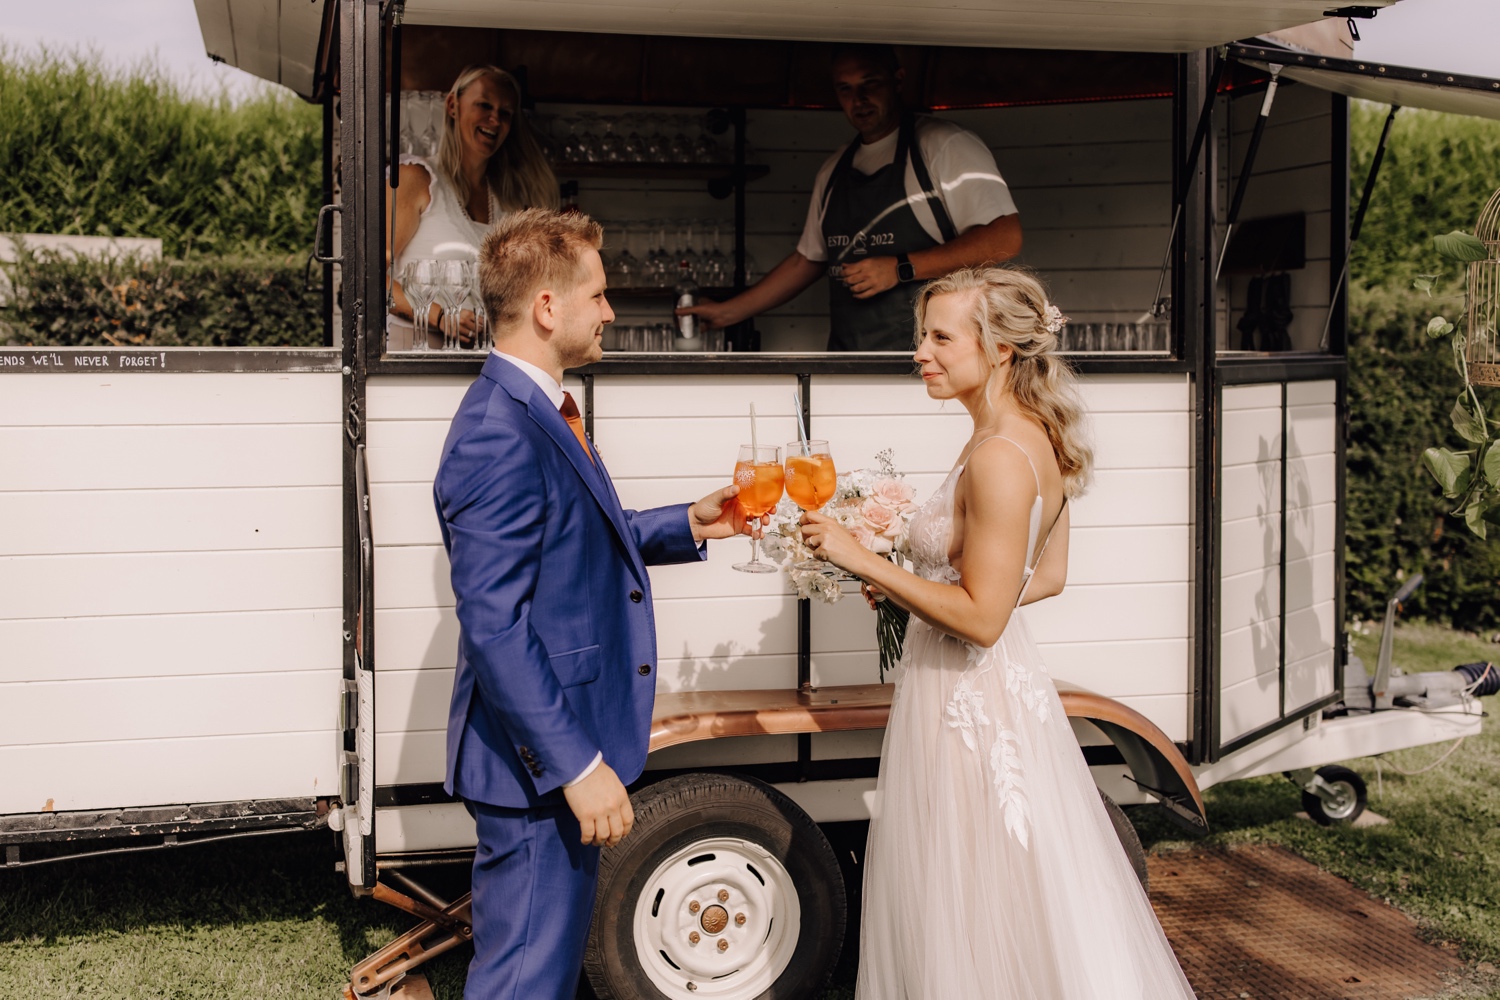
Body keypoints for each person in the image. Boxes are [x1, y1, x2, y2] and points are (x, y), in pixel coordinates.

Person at [799, 268, 1196, 997]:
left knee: (968, 893)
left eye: (940, 337)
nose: (920, 351)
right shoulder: (1025, 437)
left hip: (965, 702)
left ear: (1001, 349)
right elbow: (1043, 579)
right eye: (922, 335)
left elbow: (983, 618)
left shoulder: (998, 457)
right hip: (988, 696)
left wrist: (866, 561)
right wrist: (909, 590)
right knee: (1004, 892)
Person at [433, 209, 763, 999]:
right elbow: (494, 623)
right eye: (600, 295)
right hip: (537, 766)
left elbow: (573, 542)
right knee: (523, 982)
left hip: (555, 749)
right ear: (548, 306)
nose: (611, 312)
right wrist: (576, 765)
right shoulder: (498, 432)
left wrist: (688, 523)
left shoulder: (535, 409)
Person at [678, 44, 1022, 351]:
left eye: (869, 83)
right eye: (845, 89)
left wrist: (900, 268)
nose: (858, 100)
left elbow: (1004, 237)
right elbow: (807, 261)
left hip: (932, 365)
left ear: (897, 80)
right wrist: (727, 312)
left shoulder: (944, 145)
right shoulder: (833, 170)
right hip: (846, 360)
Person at [387, 65, 559, 349]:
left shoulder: (508, 201)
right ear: (453, 106)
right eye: (484, 105)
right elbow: (370, 277)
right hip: (415, 350)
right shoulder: (415, 178)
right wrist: (440, 316)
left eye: (505, 113)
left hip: (480, 355)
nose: (494, 119)